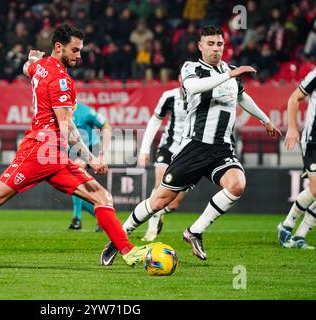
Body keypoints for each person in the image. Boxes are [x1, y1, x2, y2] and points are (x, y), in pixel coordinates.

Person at [0, 24, 155, 267]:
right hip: (39, 151)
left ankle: (128, 252)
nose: (79, 56)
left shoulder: (42, 67)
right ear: (59, 47)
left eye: (80, 50)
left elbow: (28, 68)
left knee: (102, 196)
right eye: (75, 50)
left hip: (55, 155)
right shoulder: (61, 81)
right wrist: (91, 158)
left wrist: (30, 60)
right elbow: (67, 127)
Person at [100, 25, 281, 265]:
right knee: (160, 201)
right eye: (210, 44)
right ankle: (118, 239)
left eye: (219, 44)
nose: (216, 49)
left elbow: (241, 96)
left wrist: (265, 119)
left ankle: (194, 232)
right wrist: (229, 76)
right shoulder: (192, 68)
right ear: (200, 46)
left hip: (221, 148)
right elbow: (193, 88)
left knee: (237, 185)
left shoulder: (231, 71)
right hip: (194, 148)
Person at [137, 82, 187, 242]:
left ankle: (159, 214)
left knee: (174, 204)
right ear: (180, 78)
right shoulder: (169, 96)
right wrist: (144, 149)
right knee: (159, 184)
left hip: (188, 152)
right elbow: (154, 121)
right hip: (168, 147)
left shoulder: (202, 96)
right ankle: (151, 230)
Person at [277, 67, 316, 250]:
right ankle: (286, 227)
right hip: (313, 141)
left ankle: (300, 236)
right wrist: (292, 128)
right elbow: (294, 98)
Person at [68, 101, 112, 232]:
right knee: (74, 186)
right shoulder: (60, 111)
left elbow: (106, 126)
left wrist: (102, 153)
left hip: (90, 148)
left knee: (76, 174)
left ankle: (77, 219)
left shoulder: (86, 112)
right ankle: (102, 217)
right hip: (73, 151)